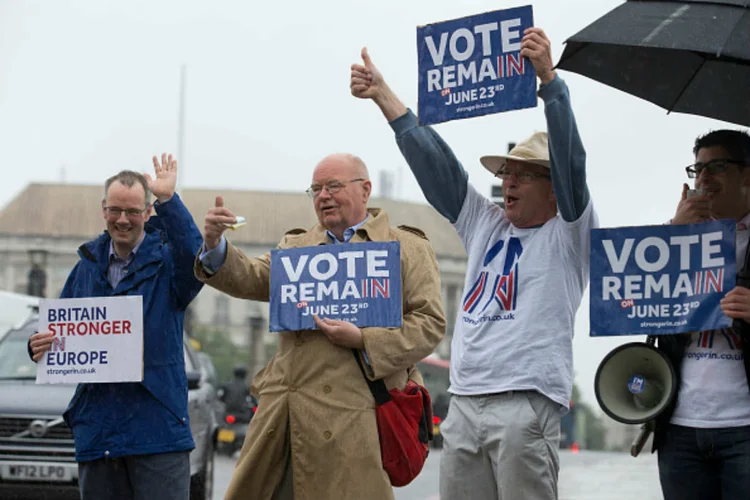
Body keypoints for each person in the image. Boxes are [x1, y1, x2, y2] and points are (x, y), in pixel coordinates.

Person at [350, 27, 598, 499]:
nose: (508, 182)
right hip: (464, 403)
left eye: (524, 174)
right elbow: (437, 165)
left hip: (525, 402)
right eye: (507, 172)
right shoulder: (486, 223)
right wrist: (385, 97)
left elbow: (572, 163)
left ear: (553, 188)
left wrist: (550, 82)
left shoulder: (568, 230)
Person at [194, 153, 446, 500]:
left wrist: (363, 339)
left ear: (365, 190)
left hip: (356, 421)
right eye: (315, 189)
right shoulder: (297, 247)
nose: (323, 196)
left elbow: (429, 324)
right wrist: (215, 245)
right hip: (285, 417)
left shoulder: (406, 247)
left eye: (333, 186)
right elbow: (253, 278)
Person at [27, 154, 204, 500]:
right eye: (115, 210)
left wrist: (169, 200)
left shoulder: (169, 265)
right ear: (103, 209)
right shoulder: (85, 267)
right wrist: (38, 346)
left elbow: (196, 257)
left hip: (157, 434)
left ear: (148, 213)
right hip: (100, 434)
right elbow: (60, 331)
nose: (123, 220)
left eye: (133, 212)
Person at [654, 130, 750, 500]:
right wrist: (676, 234)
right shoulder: (675, 236)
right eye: (698, 168)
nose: (704, 178)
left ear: (747, 175)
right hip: (681, 426)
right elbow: (632, 299)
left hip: (743, 425)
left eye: (717, 167)